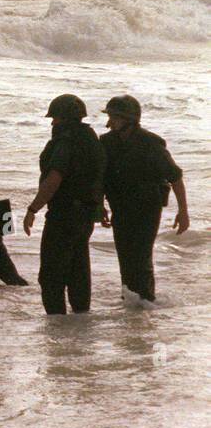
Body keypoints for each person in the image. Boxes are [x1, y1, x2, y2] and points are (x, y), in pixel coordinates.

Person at [99, 94, 189, 305]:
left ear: (129, 119)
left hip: (146, 208)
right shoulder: (106, 142)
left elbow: (175, 177)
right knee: (125, 257)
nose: (109, 122)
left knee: (140, 257)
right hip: (120, 207)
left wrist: (183, 211)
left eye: (114, 117)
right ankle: (131, 301)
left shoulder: (151, 144)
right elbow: (101, 177)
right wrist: (99, 205)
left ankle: (145, 302)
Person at [24, 94, 106, 315]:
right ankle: (81, 322)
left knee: (51, 275)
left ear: (63, 118)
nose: (52, 123)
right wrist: (100, 206)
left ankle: (56, 325)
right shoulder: (91, 139)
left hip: (64, 214)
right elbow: (98, 177)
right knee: (78, 271)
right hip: (86, 215)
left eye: (55, 118)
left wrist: (33, 209)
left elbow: (54, 178)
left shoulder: (65, 142)